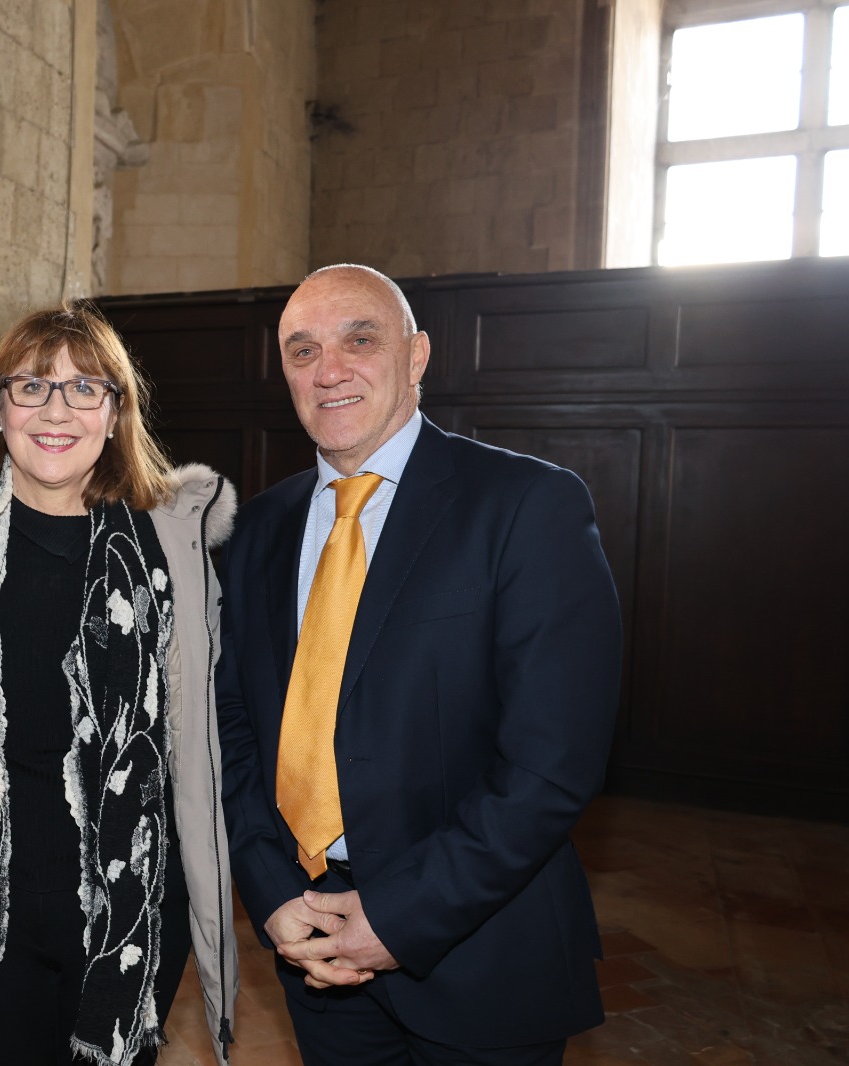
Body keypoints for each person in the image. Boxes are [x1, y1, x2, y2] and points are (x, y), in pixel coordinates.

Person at [215, 263, 621, 1065]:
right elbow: (232, 726)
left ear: (418, 355)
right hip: (314, 946)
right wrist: (270, 890)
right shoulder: (256, 528)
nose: (329, 370)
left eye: (360, 340)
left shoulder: (525, 505)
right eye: (303, 351)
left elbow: (552, 764)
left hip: (479, 950)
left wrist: (400, 918)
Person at [0, 304, 238, 1066]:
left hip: (131, 910)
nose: (56, 411)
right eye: (32, 386)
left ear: (116, 412)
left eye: (83, 388)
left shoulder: (174, 550)